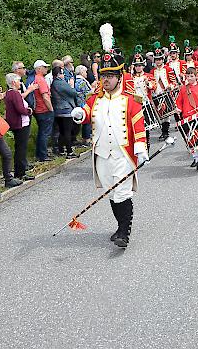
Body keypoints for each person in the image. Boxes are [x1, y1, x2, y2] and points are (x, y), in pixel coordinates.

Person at [71, 47, 147, 248]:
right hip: (101, 154)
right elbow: (86, 114)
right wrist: (79, 114)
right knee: (111, 193)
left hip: (123, 154)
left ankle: (124, 232)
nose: (106, 80)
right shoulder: (95, 99)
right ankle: (120, 226)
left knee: (122, 192)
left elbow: (138, 126)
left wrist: (141, 147)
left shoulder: (131, 100)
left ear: (119, 77)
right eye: (104, 76)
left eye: (111, 76)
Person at [175, 67, 198, 170]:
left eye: (192, 76)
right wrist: (178, 109)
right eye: (188, 76)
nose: (189, 78)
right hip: (187, 117)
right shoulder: (183, 89)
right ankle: (196, 158)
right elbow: (179, 102)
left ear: (196, 76)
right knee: (191, 138)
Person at [4, 73, 34, 182]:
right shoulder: (15, 94)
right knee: (21, 148)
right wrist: (29, 111)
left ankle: (20, 171)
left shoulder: (9, 93)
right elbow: (20, 109)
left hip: (16, 123)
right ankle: (20, 172)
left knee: (20, 147)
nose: (20, 83)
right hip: (20, 123)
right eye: (18, 81)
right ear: (13, 82)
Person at [50, 66, 78, 158]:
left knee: (62, 131)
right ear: (58, 74)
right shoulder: (60, 83)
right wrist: (71, 85)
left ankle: (61, 149)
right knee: (67, 131)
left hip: (57, 111)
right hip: (66, 110)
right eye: (62, 73)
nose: (63, 75)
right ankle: (69, 151)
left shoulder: (53, 83)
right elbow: (73, 92)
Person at [32, 60, 54, 162]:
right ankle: (43, 155)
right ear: (39, 68)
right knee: (44, 133)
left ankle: (39, 154)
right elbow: (45, 97)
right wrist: (51, 109)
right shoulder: (40, 80)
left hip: (38, 109)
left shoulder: (35, 79)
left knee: (42, 132)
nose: (46, 69)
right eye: (44, 67)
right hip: (44, 109)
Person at [74, 65, 93, 145]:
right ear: (81, 72)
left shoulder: (74, 80)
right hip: (83, 103)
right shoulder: (82, 82)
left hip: (76, 103)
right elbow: (87, 93)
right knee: (87, 121)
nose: (86, 73)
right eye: (85, 72)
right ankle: (87, 139)